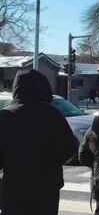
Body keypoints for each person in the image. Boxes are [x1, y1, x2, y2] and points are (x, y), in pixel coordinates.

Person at [0, 70, 78, 215]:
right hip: (47, 187)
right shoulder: (53, 115)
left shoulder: (4, 116)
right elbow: (70, 148)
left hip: (14, 187)